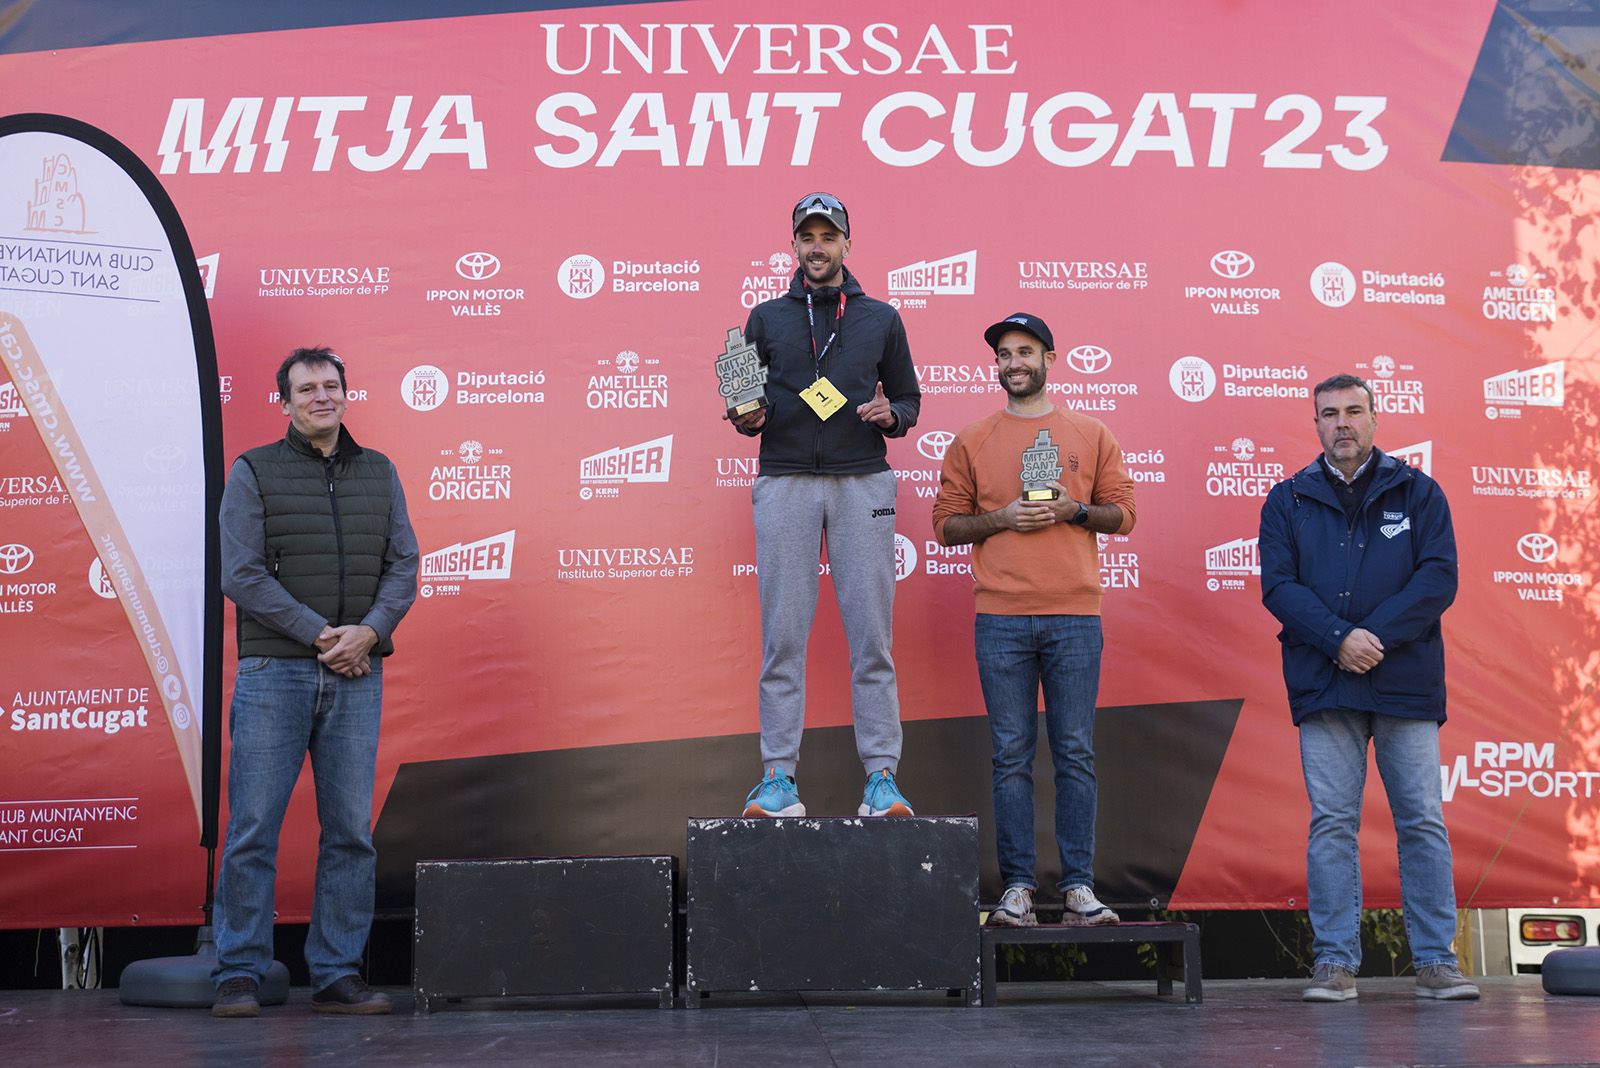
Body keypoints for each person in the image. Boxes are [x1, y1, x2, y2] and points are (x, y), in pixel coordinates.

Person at [211, 347, 418, 1018]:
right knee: (252, 829)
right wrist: (322, 634)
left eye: (331, 385)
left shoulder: (380, 470)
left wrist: (368, 631)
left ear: (345, 395)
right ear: (285, 402)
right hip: (277, 672)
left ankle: (335, 974)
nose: (320, 396)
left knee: (351, 833)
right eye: (306, 388)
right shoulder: (253, 471)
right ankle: (239, 972)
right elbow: (240, 574)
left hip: (358, 673)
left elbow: (404, 565)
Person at [1259, 373, 1479, 1002]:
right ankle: (1334, 963)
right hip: (1325, 685)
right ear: (1317, 424)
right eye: (1329, 414)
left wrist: (1369, 637)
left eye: (1355, 411)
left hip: (1404, 683)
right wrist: (1338, 640)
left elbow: (1438, 579)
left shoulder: (1418, 492)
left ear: (1377, 418)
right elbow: (1279, 587)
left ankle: (1437, 962)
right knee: (1332, 823)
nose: (1343, 423)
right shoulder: (1287, 500)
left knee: (1421, 822)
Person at [931, 313, 1136, 927]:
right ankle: (1018, 886)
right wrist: (1001, 519)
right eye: (1003, 354)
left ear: (1049, 357)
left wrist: (1074, 510)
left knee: (1075, 753)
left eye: (1024, 351)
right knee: (1010, 756)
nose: (1013, 362)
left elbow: (1124, 515)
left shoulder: (1090, 432)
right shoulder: (973, 438)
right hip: (1000, 618)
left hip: (1075, 614)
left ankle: (1077, 887)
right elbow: (945, 525)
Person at [729, 192, 921, 818]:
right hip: (785, 480)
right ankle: (779, 777)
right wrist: (748, 416)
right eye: (807, 236)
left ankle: (882, 778)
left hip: (862, 481)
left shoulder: (881, 319)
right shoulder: (762, 319)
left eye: (828, 236)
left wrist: (891, 414)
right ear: (793, 245)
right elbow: (743, 408)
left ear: (846, 244)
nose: (818, 247)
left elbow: (909, 401)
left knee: (872, 638)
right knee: (783, 637)